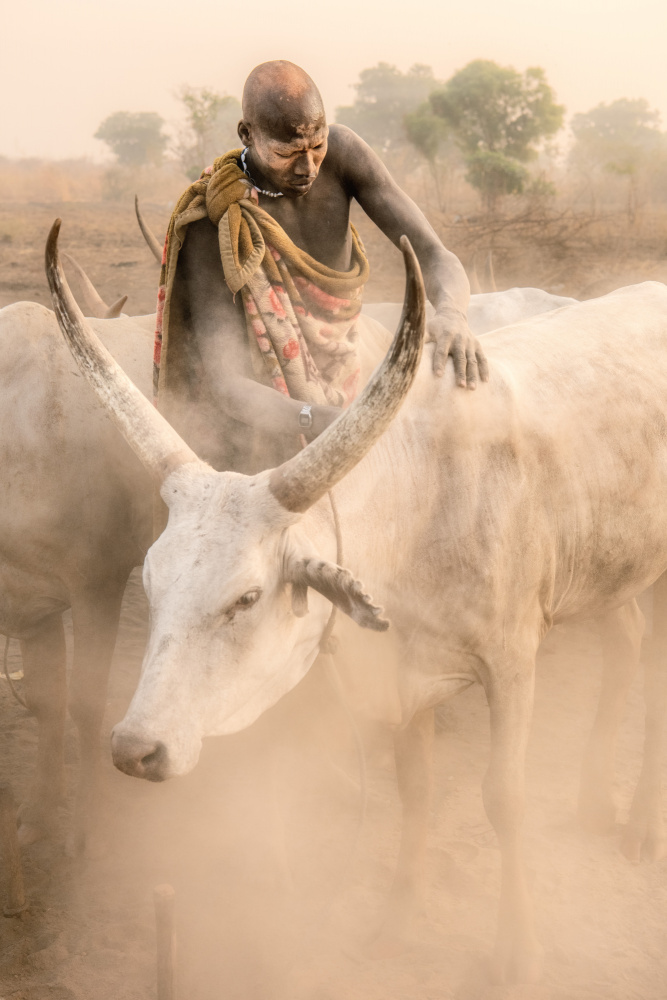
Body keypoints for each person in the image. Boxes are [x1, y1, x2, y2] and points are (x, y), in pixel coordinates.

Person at [154, 60, 487, 472]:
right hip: (264, 416)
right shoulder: (218, 218)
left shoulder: (345, 154)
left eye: (317, 146)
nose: (308, 167)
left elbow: (435, 255)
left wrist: (453, 313)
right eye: (287, 153)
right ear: (247, 134)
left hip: (351, 365)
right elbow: (227, 384)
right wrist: (313, 419)